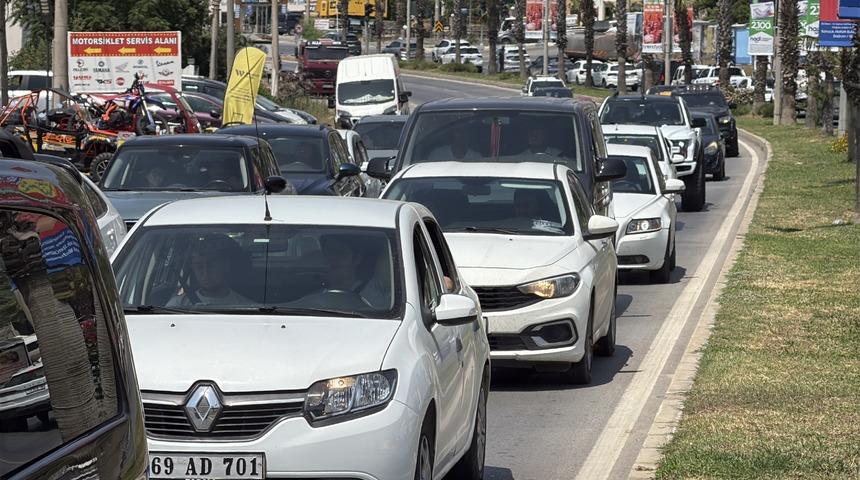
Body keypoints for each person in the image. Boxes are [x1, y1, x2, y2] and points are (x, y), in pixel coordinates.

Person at [167, 235, 252, 307]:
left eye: (212, 266)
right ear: (193, 269)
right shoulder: (176, 306)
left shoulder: (248, 308)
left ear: (225, 266)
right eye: (199, 267)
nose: (206, 273)